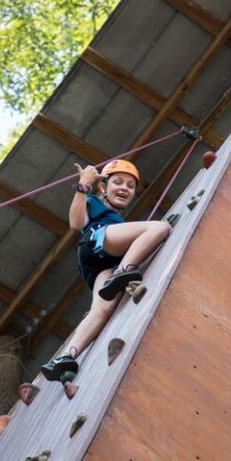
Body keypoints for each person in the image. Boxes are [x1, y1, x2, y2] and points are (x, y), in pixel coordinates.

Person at [41, 159, 171, 381]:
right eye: (118, 182)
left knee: (102, 310)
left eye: (130, 186)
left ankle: (66, 357)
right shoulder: (93, 202)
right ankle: (124, 272)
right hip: (97, 240)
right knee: (160, 227)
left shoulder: (115, 218)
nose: (124, 188)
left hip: (100, 265)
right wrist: (84, 185)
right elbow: (75, 222)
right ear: (103, 187)